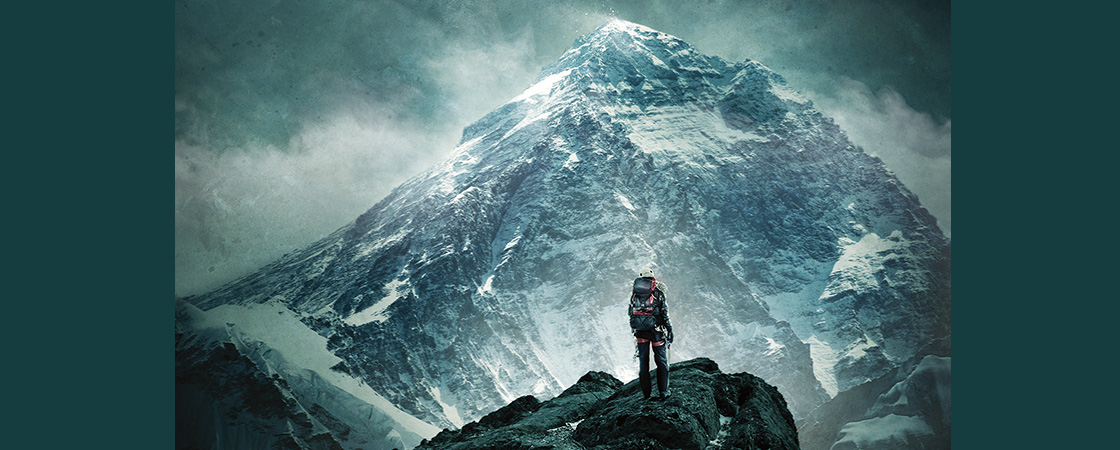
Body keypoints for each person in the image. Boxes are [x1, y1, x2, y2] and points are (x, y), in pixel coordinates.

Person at [628, 267, 674, 401]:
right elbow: (664, 313)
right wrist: (669, 329)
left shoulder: (635, 293)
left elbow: (630, 312)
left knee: (643, 363)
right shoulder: (659, 292)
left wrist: (635, 329)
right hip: (656, 331)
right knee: (661, 361)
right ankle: (663, 391)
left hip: (640, 332)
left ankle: (646, 395)